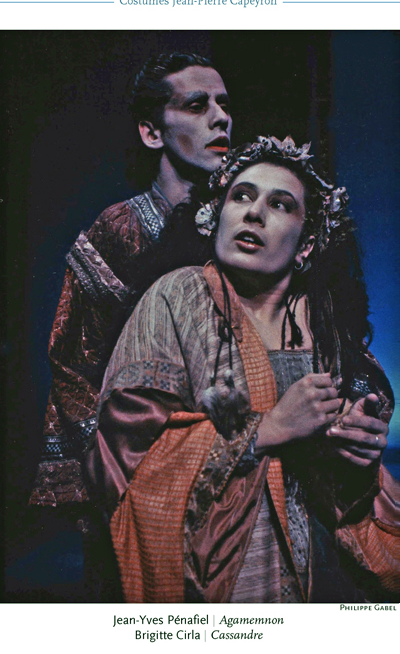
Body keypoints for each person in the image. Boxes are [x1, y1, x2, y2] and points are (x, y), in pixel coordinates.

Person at [86, 135, 400, 603]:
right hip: (227, 579)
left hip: (325, 570)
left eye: (280, 204)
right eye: (242, 196)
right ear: (216, 216)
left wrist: (358, 450)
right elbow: (123, 450)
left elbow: (348, 473)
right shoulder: (178, 297)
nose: (254, 213)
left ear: (306, 244)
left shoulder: (326, 323)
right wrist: (267, 429)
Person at [30, 52, 232, 508]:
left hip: (232, 461)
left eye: (224, 104)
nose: (221, 118)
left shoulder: (242, 225)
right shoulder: (121, 228)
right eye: (197, 105)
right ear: (151, 132)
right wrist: (116, 466)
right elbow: (73, 362)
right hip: (141, 471)